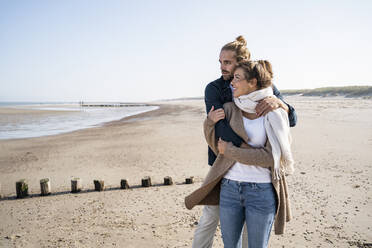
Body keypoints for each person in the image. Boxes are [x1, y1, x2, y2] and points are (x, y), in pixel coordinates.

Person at [188, 36, 297, 248]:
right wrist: (257, 153)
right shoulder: (215, 89)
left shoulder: (265, 87)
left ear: (242, 62)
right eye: (220, 62)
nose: (222, 67)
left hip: (258, 179)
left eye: (227, 62)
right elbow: (222, 134)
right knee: (209, 219)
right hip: (222, 167)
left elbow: (291, 119)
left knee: (252, 234)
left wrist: (279, 104)